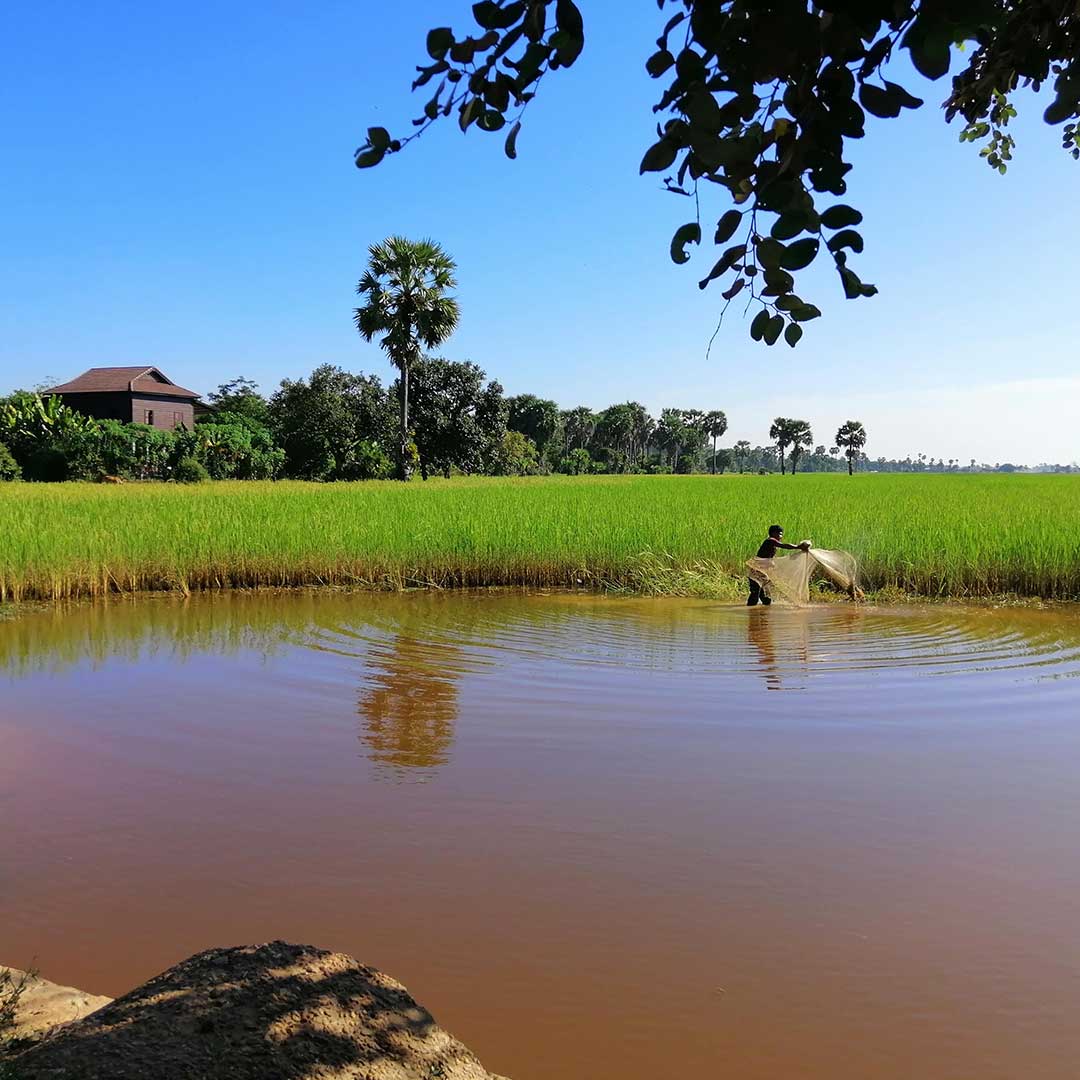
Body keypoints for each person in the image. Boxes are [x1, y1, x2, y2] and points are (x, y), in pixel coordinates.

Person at [747, 525, 809, 606]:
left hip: (763, 572)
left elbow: (768, 558)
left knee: (766, 598)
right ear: (773, 533)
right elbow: (783, 545)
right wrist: (798, 547)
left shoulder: (772, 544)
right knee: (755, 595)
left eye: (781, 534)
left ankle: (761, 616)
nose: (781, 536)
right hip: (756, 572)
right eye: (779, 534)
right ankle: (751, 614)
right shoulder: (770, 541)